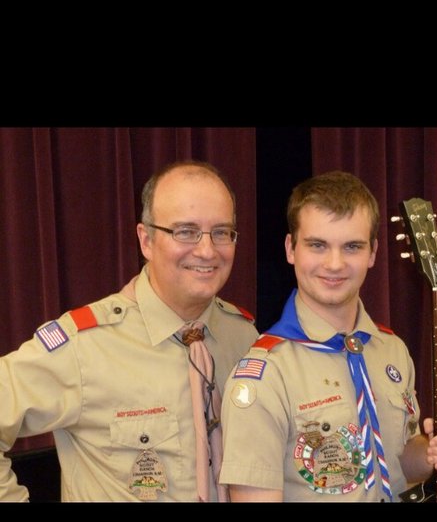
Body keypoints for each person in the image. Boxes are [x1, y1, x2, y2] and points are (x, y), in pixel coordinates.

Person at [0, 160, 258, 502]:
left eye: (221, 232)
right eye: (185, 231)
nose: (207, 250)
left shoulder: (244, 337)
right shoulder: (85, 345)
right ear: (146, 240)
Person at [219, 170, 437, 502]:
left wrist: (434, 453)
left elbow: (400, 464)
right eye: (317, 245)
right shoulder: (263, 379)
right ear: (290, 249)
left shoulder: (391, 350)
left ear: (372, 253)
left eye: (352, 246)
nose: (335, 263)